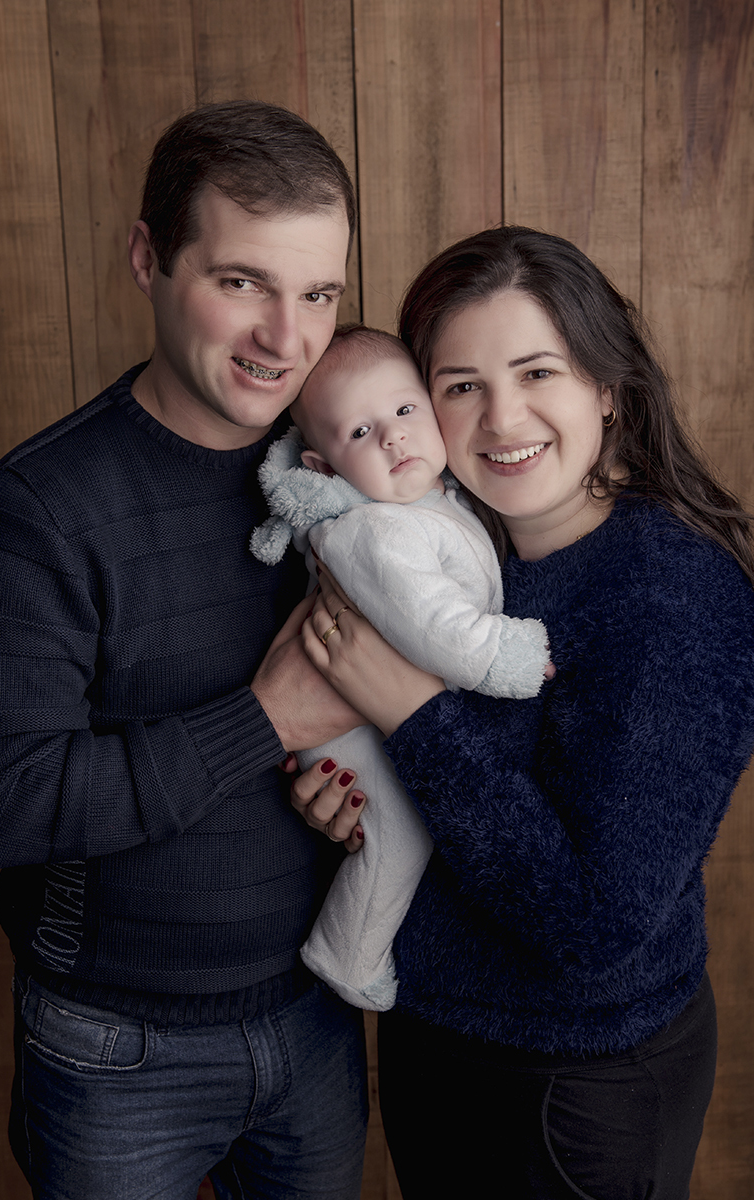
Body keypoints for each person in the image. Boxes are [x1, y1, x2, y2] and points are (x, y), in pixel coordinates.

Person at [0, 101, 371, 1200]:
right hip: (114, 1054)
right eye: (241, 283)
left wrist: (348, 793)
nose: (286, 340)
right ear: (148, 258)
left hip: (317, 1019)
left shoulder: (349, 476)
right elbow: (0, 805)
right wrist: (265, 720)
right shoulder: (38, 511)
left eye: (317, 295)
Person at [291, 227, 754, 1199]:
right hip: (439, 1035)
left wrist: (411, 715)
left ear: (605, 387)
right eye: (459, 384)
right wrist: (352, 801)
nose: (501, 419)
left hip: (572, 1082)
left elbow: (593, 922)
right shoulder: (458, 557)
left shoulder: (670, 595)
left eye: (535, 371)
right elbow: (472, 800)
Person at [250, 325, 550, 1010]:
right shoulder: (371, 532)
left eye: (406, 411)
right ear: (322, 465)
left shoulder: (434, 499)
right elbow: (431, 626)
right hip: (347, 724)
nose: (392, 438)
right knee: (400, 831)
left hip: (384, 706)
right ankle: (347, 954)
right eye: (359, 433)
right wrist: (505, 655)